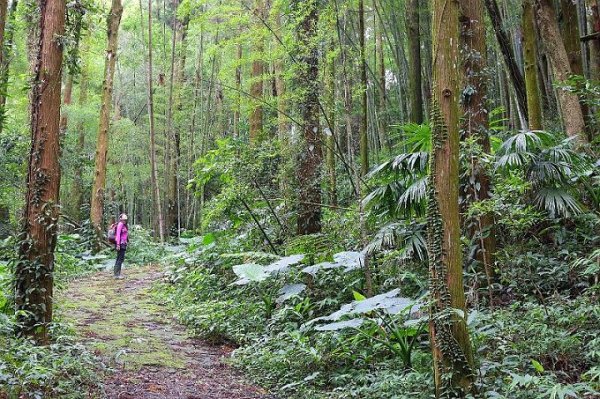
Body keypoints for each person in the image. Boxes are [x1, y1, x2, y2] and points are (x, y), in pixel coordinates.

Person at [114, 213, 129, 279]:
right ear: (121, 219)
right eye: (123, 220)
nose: (124, 221)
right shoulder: (120, 225)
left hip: (123, 244)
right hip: (120, 244)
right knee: (119, 259)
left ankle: (117, 274)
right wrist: (118, 244)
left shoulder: (124, 225)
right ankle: (117, 275)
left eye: (125, 220)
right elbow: (118, 235)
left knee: (120, 258)